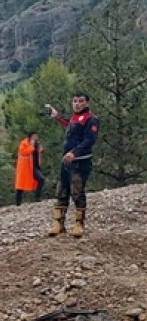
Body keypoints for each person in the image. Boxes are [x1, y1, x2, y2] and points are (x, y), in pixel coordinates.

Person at [47, 94, 99, 238]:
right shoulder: (74, 118)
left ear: (87, 103)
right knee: (61, 191)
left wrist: (74, 153)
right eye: (75, 101)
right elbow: (68, 124)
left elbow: (89, 139)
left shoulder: (91, 119)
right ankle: (59, 223)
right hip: (66, 161)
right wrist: (57, 117)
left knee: (77, 191)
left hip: (81, 161)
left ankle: (79, 223)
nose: (77, 104)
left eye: (80, 101)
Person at [14, 132, 45, 206]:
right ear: (30, 137)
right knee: (20, 185)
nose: (36, 138)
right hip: (25, 168)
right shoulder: (24, 143)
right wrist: (31, 146)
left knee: (41, 179)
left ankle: (37, 198)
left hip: (34, 166)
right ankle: (18, 203)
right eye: (34, 136)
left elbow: (40, 151)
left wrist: (40, 150)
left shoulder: (37, 143)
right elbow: (23, 152)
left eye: (36, 136)